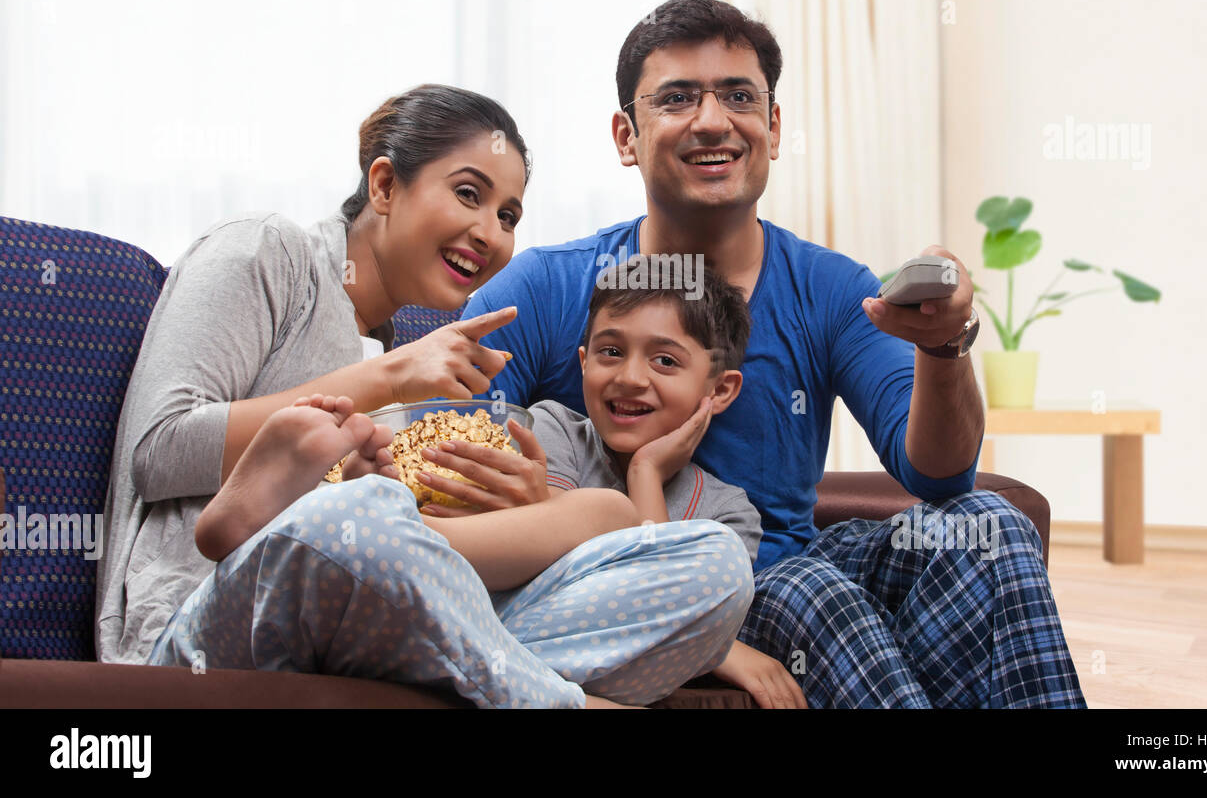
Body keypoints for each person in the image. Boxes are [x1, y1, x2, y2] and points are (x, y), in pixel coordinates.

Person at [458, 0, 1088, 708]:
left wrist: (944, 347)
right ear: (626, 136)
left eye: (738, 96)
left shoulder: (831, 287)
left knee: (988, 525)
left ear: (774, 127)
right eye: (677, 98)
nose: (713, 119)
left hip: (796, 559)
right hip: (675, 587)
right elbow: (436, 454)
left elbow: (939, 476)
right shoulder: (545, 287)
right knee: (812, 590)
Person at [95, 83, 753, 707]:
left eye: (508, 216)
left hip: (377, 632)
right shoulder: (268, 253)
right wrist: (390, 379)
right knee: (360, 514)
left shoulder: (413, 347)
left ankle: (494, 678)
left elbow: (428, 545)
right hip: (215, 620)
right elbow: (159, 449)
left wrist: (527, 514)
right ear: (385, 185)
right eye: (469, 194)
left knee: (690, 553)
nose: (491, 233)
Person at [180, 256, 804, 708]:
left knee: (716, 565)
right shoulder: (551, 428)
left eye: (665, 361)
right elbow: (497, 549)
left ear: (719, 389)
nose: (630, 378)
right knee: (599, 516)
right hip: (449, 589)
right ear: (583, 361)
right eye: (611, 353)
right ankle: (350, 525)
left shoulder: (727, 513)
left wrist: (644, 475)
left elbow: (668, 607)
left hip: (443, 622)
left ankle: (356, 529)